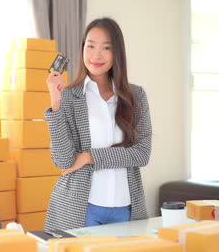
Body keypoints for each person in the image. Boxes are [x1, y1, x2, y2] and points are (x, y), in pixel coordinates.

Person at [44, 17, 152, 231]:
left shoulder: (136, 96)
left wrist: (88, 157)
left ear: (117, 53)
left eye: (106, 47)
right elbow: (64, 160)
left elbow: (142, 154)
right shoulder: (69, 97)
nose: (96, 55)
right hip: (81, 209)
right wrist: (55, 103)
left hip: (126, 209)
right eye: (90, 46)